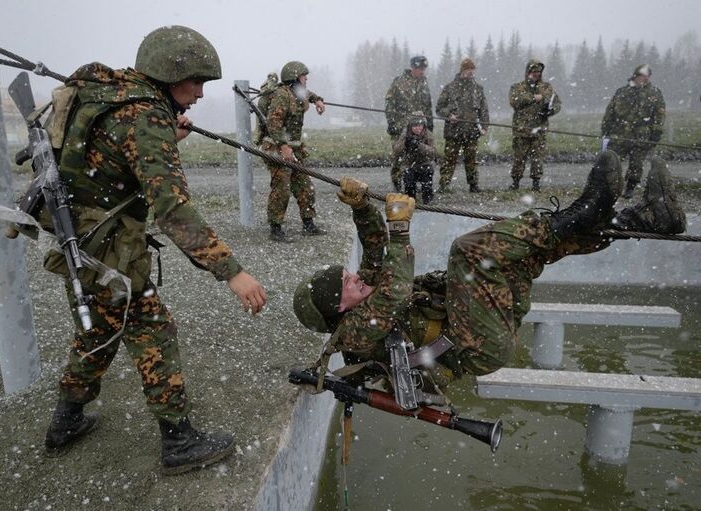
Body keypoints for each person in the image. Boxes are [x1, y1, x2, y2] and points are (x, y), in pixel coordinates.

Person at [41, 26, 268, 475]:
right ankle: (179, 442)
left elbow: (108, 158)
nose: (201, 94)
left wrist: (166, 138)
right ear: (168, 75)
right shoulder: (145, 117)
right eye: (196, 82)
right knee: (153, 331)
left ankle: (65, 422)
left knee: (98, 330)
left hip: (80, 238)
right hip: (106, 249)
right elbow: (174, 210)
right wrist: (232, 271)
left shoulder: (112, 92)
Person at [292, 151, 684, 396]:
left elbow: (376, 251)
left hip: (479, 318)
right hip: (477, 343)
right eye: (347, 284)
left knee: (520, 252)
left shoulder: (362, 296)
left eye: (349, 274)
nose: (356, 279)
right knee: (467, 252)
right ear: (338, 311)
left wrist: (360, 206)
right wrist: (401, 227)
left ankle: (643, 219)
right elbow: (394, 292)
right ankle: (581, 213)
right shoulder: (356, 333)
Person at [260, 61, 327, 242]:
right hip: (277, 148)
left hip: (293, 148)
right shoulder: (282, 96)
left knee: (305, 186)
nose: (306, 79)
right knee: (281, 188)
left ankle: (308, 224)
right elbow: (273, 123)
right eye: (304, 76)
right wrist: (283, 146)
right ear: (296, 78)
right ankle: (275, 228)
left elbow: (309, 94)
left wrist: (317, 100)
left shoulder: (297, 92)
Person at [601, 64, 666, 198]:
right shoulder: (622, 92)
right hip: (619, 134)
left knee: (636, 164)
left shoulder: (654, 93)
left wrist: (656, 133)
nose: (645, 78)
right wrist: (606, 129)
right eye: (643, 76)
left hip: (641, 135)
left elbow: (659, 114)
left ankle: (630, 187)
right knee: (613, 161)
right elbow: (610, 111)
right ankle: (609, 187)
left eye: (647, 76)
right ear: (636, 76)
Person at [435, 58, 490, 193]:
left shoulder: (478, 89)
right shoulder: (450, 88)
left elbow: (484, 110)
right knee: (449, 159)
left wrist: (484, 126)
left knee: (471, 159)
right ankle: (444, 185)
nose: (471, 73)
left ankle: (473, 184)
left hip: (471, 131)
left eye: (472, 71)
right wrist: (449, 116)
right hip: (453, 131)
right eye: (468, 71)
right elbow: (439, 108)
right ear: (463, 70)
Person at [508, 59, 561, 192]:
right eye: (533, 71)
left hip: (539, 130)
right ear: (527, 72)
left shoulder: (547, 88)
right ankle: (515, 182)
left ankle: (536, 184)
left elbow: (557, 103)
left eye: (538, 72)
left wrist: (551, 110)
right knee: (519, 157)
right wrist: (533, 98)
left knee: (537, 158)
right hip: (522, 130)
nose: (536, 74)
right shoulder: (517, 87)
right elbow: (514, 101)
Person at [385, 55, 434, 192]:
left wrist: (429, 124)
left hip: (419, 128)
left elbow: (428, 105)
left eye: (424, 68)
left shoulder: (424, 83)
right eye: (419, 68)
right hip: (401, 126)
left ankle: (413, 184)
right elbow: (389, 103)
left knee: (421, 154)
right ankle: (397, 184)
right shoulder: (399, 83)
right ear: (413, 68)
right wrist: (392, 122)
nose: (422, 71)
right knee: (398, 156)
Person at [392, 112, 436, 204]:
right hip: (409, 165)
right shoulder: (405, 134)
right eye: (415, 126)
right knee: (409, 184)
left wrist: (419, 145)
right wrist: (405, 144)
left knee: (427, 183)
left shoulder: (428, 135)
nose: (418, 128)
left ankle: (427, 200)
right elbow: (396, 151)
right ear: (410, 126)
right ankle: (411, 201)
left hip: (424, 164)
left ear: (424, 126)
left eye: (420, 125)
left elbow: (433, 153)